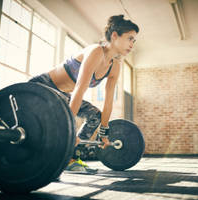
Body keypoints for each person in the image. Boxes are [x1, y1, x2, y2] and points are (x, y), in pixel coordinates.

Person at [28, 15, 139, 173]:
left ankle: (69, 156)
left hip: (63, 96)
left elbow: (108, 102)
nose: (132, 45)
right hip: (42, 88)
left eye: (134, 41)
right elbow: (80, 88)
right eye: (130, 38)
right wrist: (70, 130)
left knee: (95, 115)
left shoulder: (115, 66)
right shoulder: (95, 51)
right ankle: (61, 153)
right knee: (59, 121)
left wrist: (104, 134)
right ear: (114, 35)